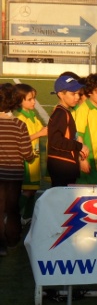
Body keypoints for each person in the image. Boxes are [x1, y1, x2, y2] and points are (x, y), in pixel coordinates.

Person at [0, 84, 35, 256]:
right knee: (13, 208)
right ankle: (13, 240)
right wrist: (31, 156)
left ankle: (1, 245)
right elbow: (27, 152)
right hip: (14, 174)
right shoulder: (19, 125)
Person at [47, 75, 89, 187]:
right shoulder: (60, 114)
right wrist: (79, 146)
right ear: (61, 94)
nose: (77, 97)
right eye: (73, 94)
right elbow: (56, 141)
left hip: (65, 165)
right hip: (62, 165)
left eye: (78, 94)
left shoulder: (65, 112)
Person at [14, 83, 47, 225]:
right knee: (27, 191)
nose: (34, 102)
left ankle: (27, 217)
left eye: (34, 98)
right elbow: (20, 139)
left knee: (32, 190)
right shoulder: (19, 118)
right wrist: (40, 134)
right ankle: (10, 215)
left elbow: (42, 129)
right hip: (26, 161)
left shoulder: (32, 115)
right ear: (19, 101)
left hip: (34, 158)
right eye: (29, 99)